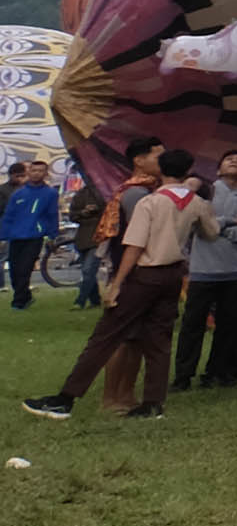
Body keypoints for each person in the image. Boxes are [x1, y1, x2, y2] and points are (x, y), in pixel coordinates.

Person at [32, 142, 195, 420]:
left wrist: (118, 281)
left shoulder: (147, 196)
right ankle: (139, 400)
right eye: (157, 154)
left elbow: (135, 243)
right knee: (149, 341)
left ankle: (76, 399)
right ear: (139, 160)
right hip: (165, 272)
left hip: (138, 272)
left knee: (112, 337)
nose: (163, 158)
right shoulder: (144, 194)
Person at [173, 141, 237, 389]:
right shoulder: (205, 191)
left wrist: (218, 229)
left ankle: (218, 371)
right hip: (203, 269)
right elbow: (195, 221)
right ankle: (183, 375)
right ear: (218, 170)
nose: (233, 161)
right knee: (193, 325)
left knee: (230, 324)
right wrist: (232, 222)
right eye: (228, 159)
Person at [0, 156, 51, 307]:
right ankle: (23, 295)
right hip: (13, 233)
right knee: (15, 266)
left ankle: (20, 300)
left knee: (25, 266)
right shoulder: (4, 190)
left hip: (33, 233)